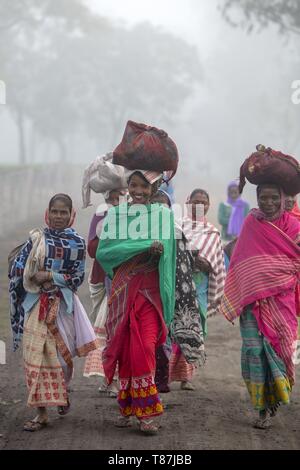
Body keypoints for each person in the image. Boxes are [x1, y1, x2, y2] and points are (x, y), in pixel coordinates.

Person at [9, 194, 98, 431]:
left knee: (60, 358)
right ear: (48, 213)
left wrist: (50, 276)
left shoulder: (77, 243)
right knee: (34, 356)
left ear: (71, 215)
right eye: (55, 212)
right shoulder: (36, 239)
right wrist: (26, 275)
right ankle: (42, 413)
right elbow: (20, 269)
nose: (59, 217)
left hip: (62, 306)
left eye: (63, 212)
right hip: (35, 304)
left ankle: (61, 392)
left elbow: (77, 277)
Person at [97, 171, 176, 435]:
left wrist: (156, 252)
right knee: (126, 349)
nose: (138, 190)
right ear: (127, 186)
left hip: (150, 294)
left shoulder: (163, 216)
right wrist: (138, 247)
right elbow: (106, 252)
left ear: (153, 188)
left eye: (144, 185)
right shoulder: (116, 216)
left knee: (143, 349)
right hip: (124, 290)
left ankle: (147, 412)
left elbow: (168, 254)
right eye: (134, 185)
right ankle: (128, 405)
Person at [220, 183, 300, 429]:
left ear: (282, 197)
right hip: (252, 303)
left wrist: (276, 271)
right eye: (263, 197)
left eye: (274, 198)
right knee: (254, 352)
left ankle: (275, 395)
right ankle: (262, 408)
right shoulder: (252, 223)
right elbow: (242, 260)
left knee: (282, 350)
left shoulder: (295, 226)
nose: (268, 203)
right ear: (256, 198)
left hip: (281, 300)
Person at [151, 190, 205, 393]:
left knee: (167, 335)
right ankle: (153, 380)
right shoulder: (138, 231)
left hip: (174, 292)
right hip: (148, 291)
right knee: (152, 337)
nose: (159, 208)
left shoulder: (176, 229)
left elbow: (184, 262)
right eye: (154, 204)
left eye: (163, 204)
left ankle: (164, 379)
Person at [83, 189, 126, 397]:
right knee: (109, 328)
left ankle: (116, 379)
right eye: (112, 198)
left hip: (129, 278)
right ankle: (109, 377)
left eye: (121, 197)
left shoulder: (136, 216)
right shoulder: (101, 215)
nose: (116, 201)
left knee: (122, 329)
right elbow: (92, 249)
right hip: (106, 278)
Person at [183, 189, 226, 339]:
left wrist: (208, 266)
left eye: (203, 203)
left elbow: (218, 263)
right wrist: (191, 259)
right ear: (188, 204)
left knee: (197, 325)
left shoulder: (212, 232)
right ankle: (179, 360)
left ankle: (190, 360)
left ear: (209, 205)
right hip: (180, 283)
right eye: (196, 202)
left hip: (201, 285)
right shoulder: (179, 227)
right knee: (179, 324)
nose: (200, 206)